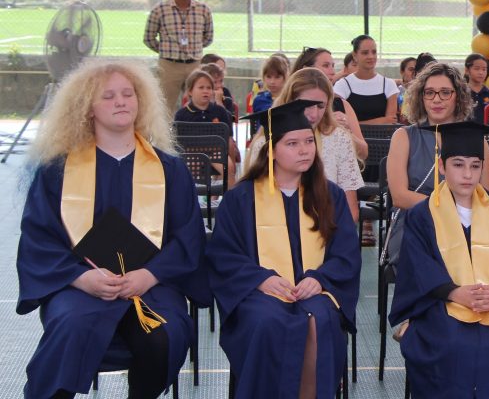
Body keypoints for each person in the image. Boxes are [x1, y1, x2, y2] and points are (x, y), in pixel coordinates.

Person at [17, 59, 209, 399]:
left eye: (127, 93)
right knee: (70, 326)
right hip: (78, 286)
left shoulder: (169, 170)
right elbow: (39, 237)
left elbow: (188, 237)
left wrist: (148, 275)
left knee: (164, 334)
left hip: (152, 287)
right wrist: (81, 278)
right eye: (107, 96)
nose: (120, 101)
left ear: (140, 101)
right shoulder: (57, 170)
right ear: (87, 108)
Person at [207, 99, 361, 399]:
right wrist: (260, 279)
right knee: (268, 321)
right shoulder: (240, 198)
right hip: (258, 292)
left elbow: (346, 253)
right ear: (271, 151)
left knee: (318, 319)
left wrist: (319, 279)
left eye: (308, 141)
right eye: (292, 143)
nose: (304, 150)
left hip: (315, 289)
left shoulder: (330, 196)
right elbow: (223, 255)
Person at [389, 122, 489, 398]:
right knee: (453, 344)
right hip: (442, 304)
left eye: (475, 166)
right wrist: (455, 292)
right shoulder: (422, 216)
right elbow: (418, 267)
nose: (468, 174)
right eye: (458, 165)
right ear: (441, 166)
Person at [246, 68, 365, 223]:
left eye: (321, 106)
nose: (314, 115)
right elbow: (254, 206)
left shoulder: (339, 139)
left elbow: (351, 210)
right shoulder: (266, 142)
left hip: (328, 229)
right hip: (274, 231)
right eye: (307, 105)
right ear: (290, 101)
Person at [387, 62, 489, 211]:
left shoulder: (478, 141)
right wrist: (448, 209)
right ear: (421, 97)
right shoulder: (403, 137)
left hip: (463, 225)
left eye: (445, 92)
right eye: (430, 92)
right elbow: (399, 197)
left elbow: (487, 197)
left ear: (458, 97)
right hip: (415, 223)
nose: (436, 99)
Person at [144, 0, 214, 114]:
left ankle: (194, 133)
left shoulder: (203, 10)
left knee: (199, 106)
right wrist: (166, 51)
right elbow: (149, 39)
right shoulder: (160, 10)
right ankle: (165, 137)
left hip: (195, 65)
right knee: (164, 108)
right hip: (169, 66)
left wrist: (193, 49)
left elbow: (208, 38)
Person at [293, 47, 368, 160]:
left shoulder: (342, 104)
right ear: (307, 70)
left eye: (333, 66)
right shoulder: (289, 104)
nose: (332, 71)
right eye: (326, 65)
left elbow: (364, 153)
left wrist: (347, 132)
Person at [174, 68, 238, 186]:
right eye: (201, 87)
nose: (206, 91)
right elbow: (177, 143)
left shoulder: (220, 111)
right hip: (191, 154)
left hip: (215, 153)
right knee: (185, 174)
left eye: (209, 88)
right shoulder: (181, 114)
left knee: (229, 169)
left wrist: (232, 162)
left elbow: (229, 140)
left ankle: (230, 199)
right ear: (190, 91)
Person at [333, 35, 399, 124]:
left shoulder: (388, 84)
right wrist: (381, 120)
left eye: (374, 52)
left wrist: (355, 123)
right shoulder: (342, 85)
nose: (371, 56)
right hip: (351, 137)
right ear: (355, 56)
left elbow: (390, 122)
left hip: (382, 138)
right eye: (365, 53)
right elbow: (340, 122)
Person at [251, 54, 290, 118]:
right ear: (263, 77)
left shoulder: (290, 99)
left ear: (285, 77)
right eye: (268, 77)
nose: (272, 82)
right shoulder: (258, 100)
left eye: (277, 77)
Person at [464, 53, 489, 124]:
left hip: (485, 133)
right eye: (477, 69)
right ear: (467, 71)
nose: (481, 72)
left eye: (484, 69)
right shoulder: (461, 92)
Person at [201, 53, 237, 119]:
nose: (221, 71)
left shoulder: (225, 95)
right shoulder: (197, 96)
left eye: (223, 69)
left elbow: (228, 122)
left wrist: (219, 102)